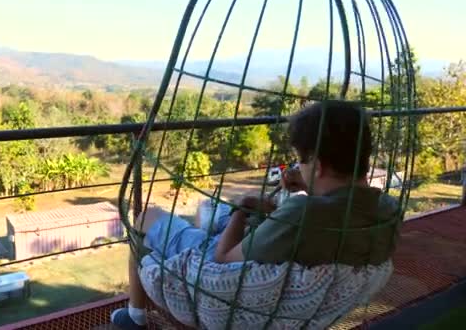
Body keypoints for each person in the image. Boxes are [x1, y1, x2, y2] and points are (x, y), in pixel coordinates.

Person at [111, 102, 400, 329]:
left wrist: (245, 207)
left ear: (320, 165)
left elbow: (222, 259)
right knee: (206, 210)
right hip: (293, 278)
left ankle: (135, 315)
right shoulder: (388, 209)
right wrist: (309, 188)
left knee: (146, 218)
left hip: (222, 272)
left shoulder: (302, 214)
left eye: (301, 160)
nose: (298, 167)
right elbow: (336, 212)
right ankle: (207, 226)